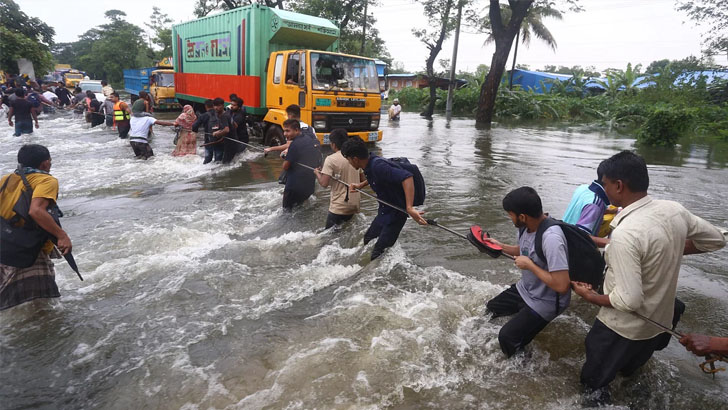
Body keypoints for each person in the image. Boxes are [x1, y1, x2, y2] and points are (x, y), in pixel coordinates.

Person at [571, 151, 726, 404]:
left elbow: (629, 300)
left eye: (605, 183)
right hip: (658, 324)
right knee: (629, 373)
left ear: (619, 186)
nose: (604, 189)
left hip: (619, 329)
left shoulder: (626, 234)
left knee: (593, 385)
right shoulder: (674, 210)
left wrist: (590, 296)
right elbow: (715, 240)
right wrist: (673, 247)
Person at [483, 187, 571, 357]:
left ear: (522, 216)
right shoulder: (526, 227)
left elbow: (562, 285)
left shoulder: (552, 238)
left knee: (507, 337)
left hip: (547, 301)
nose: (510, 218)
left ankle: (523, 367)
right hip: (526, 289)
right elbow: (524, 249)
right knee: (491, 309)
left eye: (510, 214)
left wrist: (530, 265)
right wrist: (499, 246)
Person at [0, 144, 72, 310]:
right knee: (40, 307)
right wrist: (62, 236)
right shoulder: (46, 180)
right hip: (27, 250)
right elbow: (36, 210)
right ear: (45, 164)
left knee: (10, 303)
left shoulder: (6, 180)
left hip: (4, 246)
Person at [341, 136, 427, 260]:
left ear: (355, 159)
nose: (349, 163)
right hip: (384, 211)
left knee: (378, 254)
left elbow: (407, 177)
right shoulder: (370, 163)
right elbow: (377, 177)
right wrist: (361, 185)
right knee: (368, 239)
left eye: (348, 159)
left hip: (396, 215)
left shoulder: (378, 166)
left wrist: (409, 207)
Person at [314, 128, 362, 228]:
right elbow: (362, 179)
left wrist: (317, 173)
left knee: (327, 239)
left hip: (339, 207)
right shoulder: (355, 157)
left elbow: (324, 183)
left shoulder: (331, 159)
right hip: (355, 205)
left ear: (333, 144)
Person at [562, 161, 615, 237]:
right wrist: (611, 243)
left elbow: (585, 210)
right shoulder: (596, 204)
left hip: (562, 234)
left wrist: (613, 210)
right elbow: (581, 237)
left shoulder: (583, 188)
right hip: (572, 244)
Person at [280, 119, 322, 210]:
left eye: (287, 131)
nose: (285, 134)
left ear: (296, 130)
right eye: (284, 131)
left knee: (286, 213)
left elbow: (285, 166)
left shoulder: (294, 145)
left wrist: (284, 157)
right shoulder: (310, 139)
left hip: (294, 188)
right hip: (308, 186)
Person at [191, 98, 231, 164]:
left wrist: (196, 131)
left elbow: (194, 127)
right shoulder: (221, 114)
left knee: (207, 159)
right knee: (218, 161)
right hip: (219, 141)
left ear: (206, 106)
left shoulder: (203, 116)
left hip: (208, 141)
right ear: (213, 105)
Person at [223, 97, 248, 164]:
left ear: (239, 107)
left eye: (234, 105)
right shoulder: (230, 111)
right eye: (231, 104)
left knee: (230, 160)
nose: (232, 106)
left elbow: (234, 126)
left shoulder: (240, 115)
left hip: (241, 140)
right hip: (233, 139)